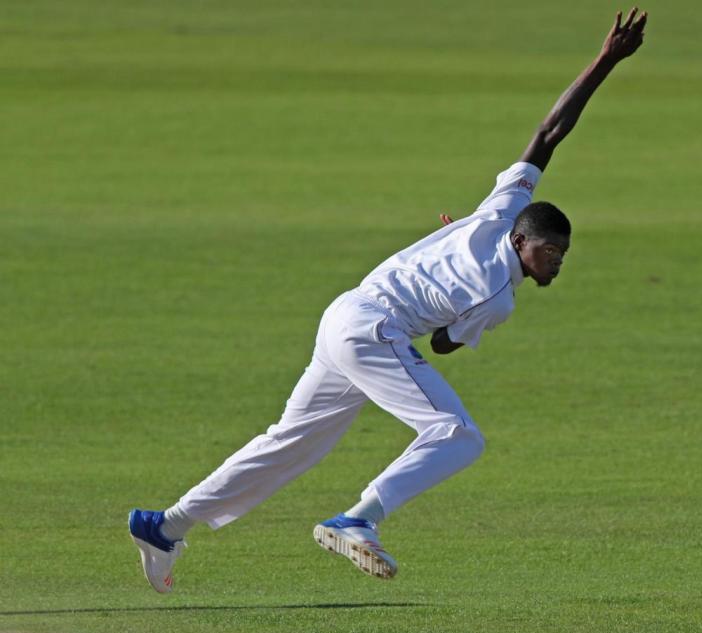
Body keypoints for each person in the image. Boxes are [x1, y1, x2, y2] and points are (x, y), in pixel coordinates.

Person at [129, 8, 648, 592]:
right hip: (373, 331)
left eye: (562, 255)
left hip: (343, 317)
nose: (554, 262)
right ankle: (359, 518)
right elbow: (443, 344)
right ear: (521, 242)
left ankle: (165, 526)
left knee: (290, 444)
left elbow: (549, 134)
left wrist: (604, 59)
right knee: (457, 434)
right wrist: (457, 308)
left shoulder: (498, 211)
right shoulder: (501, 294)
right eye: (547, 253)